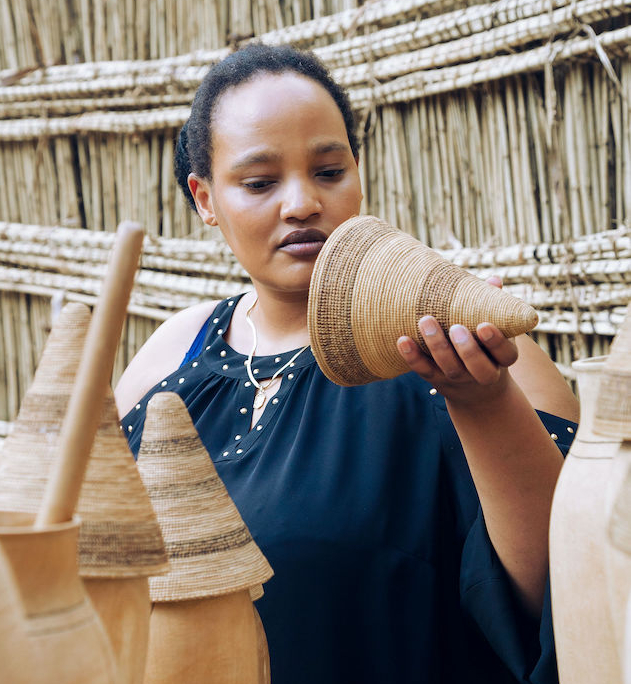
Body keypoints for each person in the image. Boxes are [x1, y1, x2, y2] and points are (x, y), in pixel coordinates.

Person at [115, 43, 580, 684]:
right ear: (204, 198)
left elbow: (575, 595)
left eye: (329, 171)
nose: (302, 202)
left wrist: (485, 404)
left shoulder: (471, 348)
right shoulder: (167, 359)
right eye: (259, 182)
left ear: (358, 173)